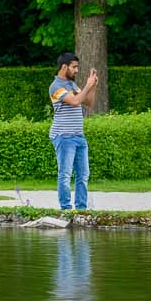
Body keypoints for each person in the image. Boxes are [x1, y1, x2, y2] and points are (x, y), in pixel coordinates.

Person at [48, 51, 100, 212]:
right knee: (65, 175)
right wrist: (87, 85)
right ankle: (65, 209)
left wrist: (93, 86)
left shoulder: (72, 85)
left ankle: (81, 209)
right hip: (64, 137)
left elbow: (88, 102)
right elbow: (76, 101)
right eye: (74, 67)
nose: (77, 70)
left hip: (78, 136)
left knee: (83, 175)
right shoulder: (56, 87)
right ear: (64, 67)